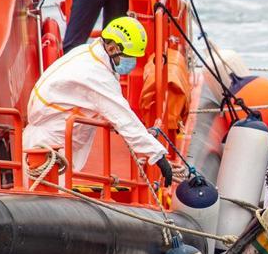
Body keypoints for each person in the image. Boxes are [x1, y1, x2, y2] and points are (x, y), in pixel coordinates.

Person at [25, 16, 174, 184]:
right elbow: (123, 118)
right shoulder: (96, 75)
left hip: (51, 136)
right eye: (128, 56)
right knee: (49, 189)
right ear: (111, 48)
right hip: (51, 144)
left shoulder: (88, 54)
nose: (131, 62)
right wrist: (157, 155)